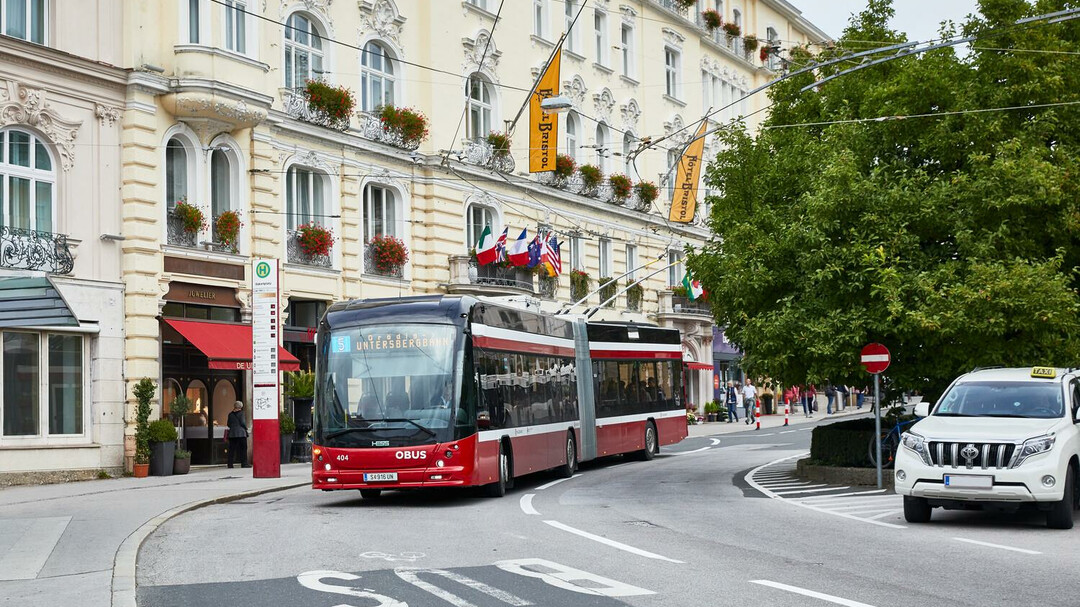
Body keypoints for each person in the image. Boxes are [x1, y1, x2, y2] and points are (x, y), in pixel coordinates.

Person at [226, 401, 249, 468]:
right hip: (241, 433)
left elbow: (228, 424)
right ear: (241, 407)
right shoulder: (242, 413)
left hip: (232, 433)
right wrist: (246, 428)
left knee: (231, 449)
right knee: (243, 448)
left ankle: (230, 464)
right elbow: (242, 422)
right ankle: (244, 463)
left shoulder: (230, 414)